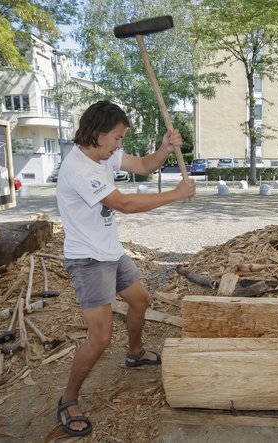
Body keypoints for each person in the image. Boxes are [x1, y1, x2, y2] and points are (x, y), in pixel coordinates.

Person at [55, 100, 196, 437]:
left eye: (120, 139)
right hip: (87, 260)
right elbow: (125, 204)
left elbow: (146, 166)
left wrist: (164, 148)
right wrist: (175, 195)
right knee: (100, 337)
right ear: (97, 133)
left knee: (140, 299)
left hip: (109, 252)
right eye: (116, 138)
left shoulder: (104, 154)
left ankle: (134, 353)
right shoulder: (78, 168)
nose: (119, 145)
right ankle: (67, 398)